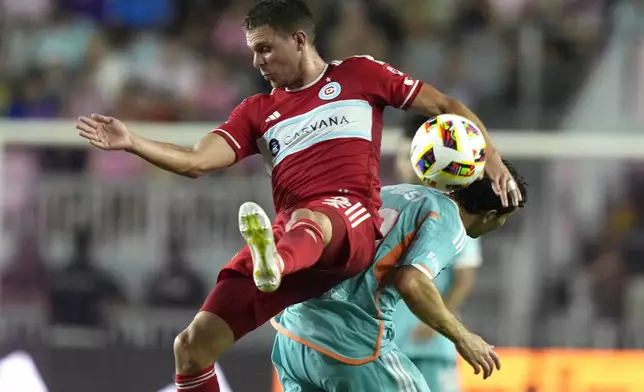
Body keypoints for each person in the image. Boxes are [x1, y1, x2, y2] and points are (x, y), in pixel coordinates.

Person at [74, 1, 522, 391]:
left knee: (316, 217)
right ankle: (276, 261)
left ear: (300, 40)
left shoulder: (360, 75)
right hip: (290, 238)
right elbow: (196, 161)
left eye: (265, 48)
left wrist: (494, 157)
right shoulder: (257, 112)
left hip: (348, 224)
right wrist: (133, 141)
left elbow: (445, 106)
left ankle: (277, 262)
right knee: (190, 349)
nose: (257, 61)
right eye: (253, 50)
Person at [271, 161, 527, 391]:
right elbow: (412, 282)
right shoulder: (448, 222)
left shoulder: (396, 192)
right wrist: (463, 337)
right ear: (491, 215)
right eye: (505, 219)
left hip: (293, 336)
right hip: (347, 342)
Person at [393, 237, 483, 392]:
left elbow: (464, 278)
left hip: (431, 343)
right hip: (390, 337)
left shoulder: (461, 224)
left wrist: (438, 321)